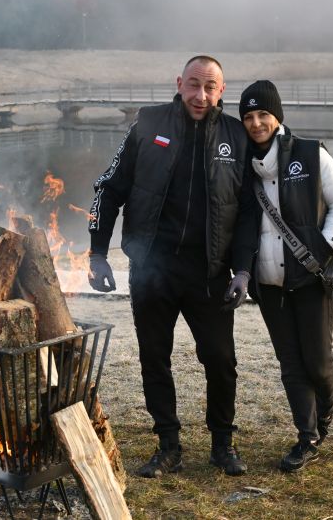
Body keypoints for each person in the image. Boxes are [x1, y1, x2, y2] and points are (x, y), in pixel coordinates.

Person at [87, 55, 257, 477]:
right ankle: (168, 446)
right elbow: (108, 189)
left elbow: (250, 212)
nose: (201, 95)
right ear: (180, 83)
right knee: (154, 358)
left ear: (222, 90)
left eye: (210, 87)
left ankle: (222, 443)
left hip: (210, 274)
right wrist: (96, 251)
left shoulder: (237, 136)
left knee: (220, 360)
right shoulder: (147, 124)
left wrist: (243, 269)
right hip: (152, 270)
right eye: (194, 84)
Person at [238, 80, 333, 472]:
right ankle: (307, 437)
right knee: (290, 363)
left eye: (263, 115)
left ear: (277, 117)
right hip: (269, 284)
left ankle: (324, 418)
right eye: (249, 116)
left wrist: (328, 244)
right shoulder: (241, 165)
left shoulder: (309, 153)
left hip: (311, 277)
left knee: (318, 361)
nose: (256, 123)